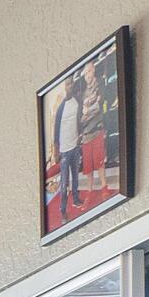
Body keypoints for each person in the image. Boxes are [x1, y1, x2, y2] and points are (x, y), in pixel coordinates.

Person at [51, 72, 85, 218]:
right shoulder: (61, 108)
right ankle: (63, 209)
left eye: (71, 83)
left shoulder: (78, 102)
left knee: (75, 176)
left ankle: (76, 199)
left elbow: (80, 120)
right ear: (65, 87)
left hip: (75, 146)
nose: (69, 86)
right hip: (64, 150)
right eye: (67, 84)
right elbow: (56, 129)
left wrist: (80, 135)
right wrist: (56, 149)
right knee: (64, 182)